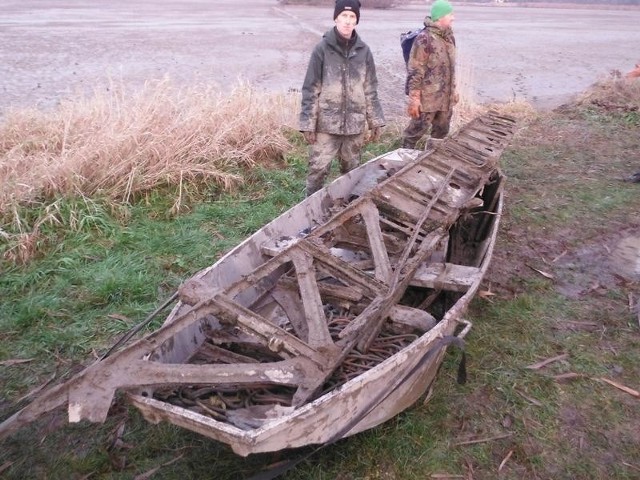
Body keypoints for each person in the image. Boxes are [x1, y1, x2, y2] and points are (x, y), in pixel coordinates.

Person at [299, 0, 385, 196]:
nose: (347, 21)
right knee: (317, 171)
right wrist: (307, 123)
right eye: (344, 16)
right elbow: (310, 88)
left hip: (354, 125)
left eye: (352, 17)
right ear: (336, 18)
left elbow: (370, 88)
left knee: (352, 173)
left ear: (357, 21)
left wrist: (375, 121)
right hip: (326, 125)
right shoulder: (322, 49)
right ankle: (310, 214)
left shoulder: (364, 51)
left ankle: (348, 210)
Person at [402, 0, 458, 150]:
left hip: (445, 100)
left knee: (441, 134)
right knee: (414, 134)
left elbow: (450, 69)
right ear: (440, 16)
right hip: (427, 100)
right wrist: (414, 100)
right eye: (450, 14)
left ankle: (432, 160)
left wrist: (454, 91)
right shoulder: (424, 39)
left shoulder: (449, 38)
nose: (453, 17)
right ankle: (403, 160)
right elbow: (415, 71)